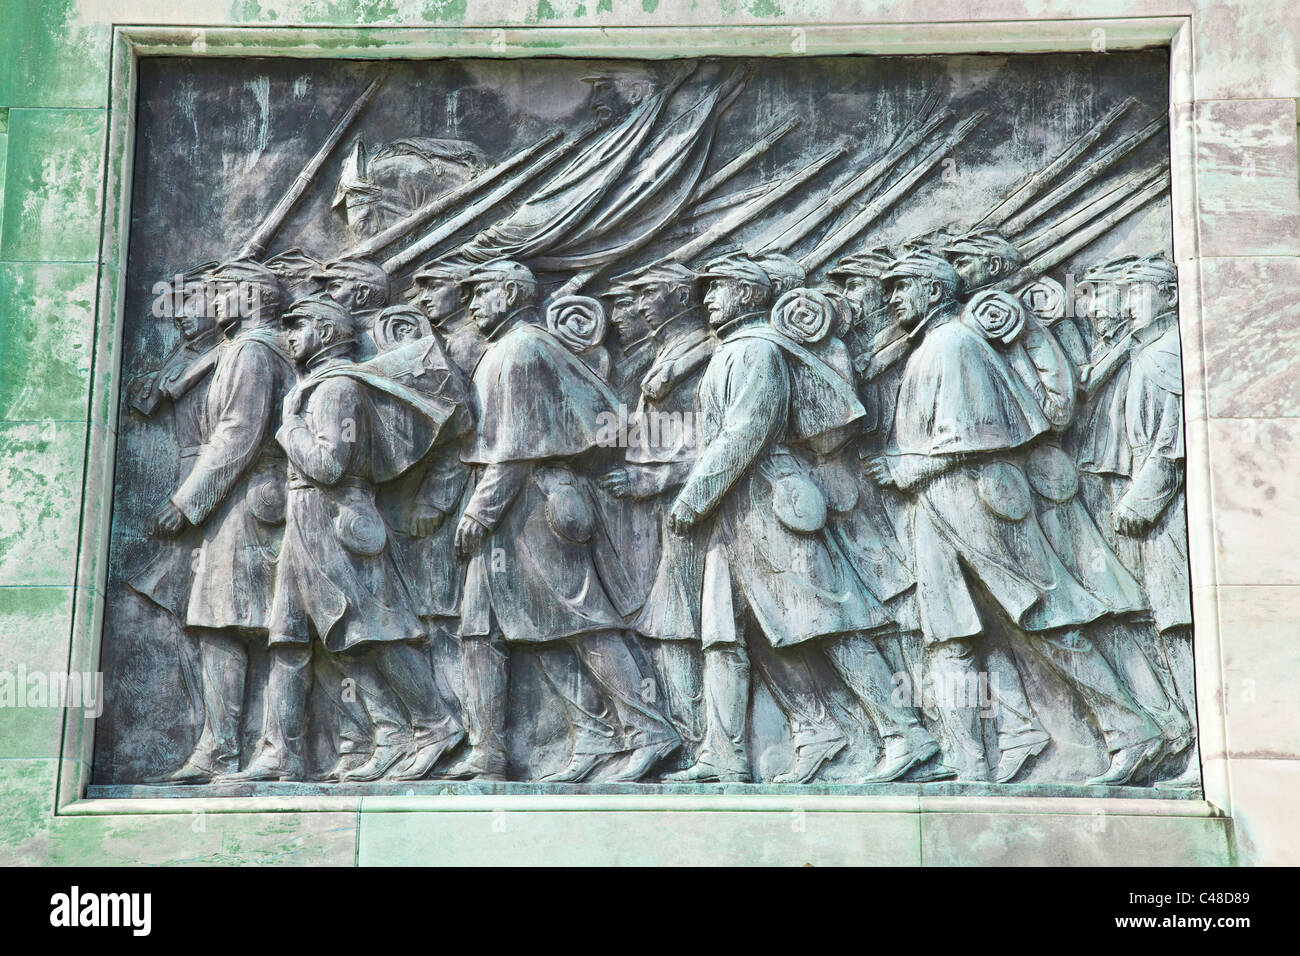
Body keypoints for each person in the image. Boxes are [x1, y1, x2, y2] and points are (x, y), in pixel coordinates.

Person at [866, 250, 1163, 785]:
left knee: (1043, 616)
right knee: (947, 636)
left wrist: (907, 466)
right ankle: (965, 761)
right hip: (939, 505)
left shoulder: (955, 344)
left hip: (977, 498)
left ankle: (1132, 730)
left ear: (934, 291)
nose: (893, 299)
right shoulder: (932, 346)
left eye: (902, 286)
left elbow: (976, 435)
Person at [664, 253, 944, 785]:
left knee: (829, 622)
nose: (706, 298)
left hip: (770, 506)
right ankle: (729, 753)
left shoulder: (754, 351)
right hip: (733, 514)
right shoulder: (732, 350)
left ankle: (906, 732)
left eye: (717, 287)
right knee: (726, 634)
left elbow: (745, 432)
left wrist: (693, 497)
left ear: (747, 294)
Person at [449, 259, 679, 783]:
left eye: (481, 291)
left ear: (509, 291)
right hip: (511, 506)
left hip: (531, 505)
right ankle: (538, 743)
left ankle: (650, 730)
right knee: (488, 630)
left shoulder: (523, 348)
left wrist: (478, 514)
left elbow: (517, 448)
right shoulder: (503, 348)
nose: (473, 303)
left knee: (581, 622)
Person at [229, 295, 464, 782]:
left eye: (299, 326)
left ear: (326, 331)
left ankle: (435, 723)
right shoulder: (314, 385)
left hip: (334, 519)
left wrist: (289, 424)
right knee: (295, 637)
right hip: (305, 520)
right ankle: (290, 750)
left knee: (369, 630)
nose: (289, 335)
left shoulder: (335, 388)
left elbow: (328, 465)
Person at [148, 258, 297, 783]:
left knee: (240, 622)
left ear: (252, 297)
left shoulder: (255, 350)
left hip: (249, 500)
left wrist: (186, 501)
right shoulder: (246, 347)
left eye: (226, 291)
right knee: (232, 621)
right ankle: (228, 745)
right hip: (247, 499)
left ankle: (244, 748)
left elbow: (238, 434)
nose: (214, 301)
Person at [599, 261, 713, 758]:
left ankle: (697, 743)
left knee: (685, 627)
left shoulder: (704, 353)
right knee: (671, 627)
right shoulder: (665, 352)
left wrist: (658, 479)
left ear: (683, 299)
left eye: (650, 293)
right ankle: (694, 741)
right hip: (659, 508)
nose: (640, 304)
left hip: (696, 508)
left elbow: (719, 440)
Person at [1117, 253, 1198, 789]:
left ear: (1169, 296)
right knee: (1169, 626)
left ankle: (1199, 748)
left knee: (1179, 626)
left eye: (1137, 292)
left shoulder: (1164, 355)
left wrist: (1137, 503)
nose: (1127, 304)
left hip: (1165, 515)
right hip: (1156, 511)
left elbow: (1172, 447)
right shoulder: (1148, 353)